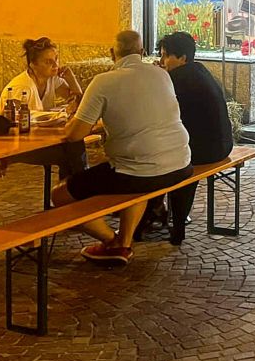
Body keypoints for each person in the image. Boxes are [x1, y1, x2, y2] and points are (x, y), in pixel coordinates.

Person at [52, 30, 192, 265]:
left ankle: (113, 241)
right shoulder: (162, 75)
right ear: (142, 52)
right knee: (137, 179)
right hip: (181, 164)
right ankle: (124, 242)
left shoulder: (103, 81)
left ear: (111, 53)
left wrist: (68, 124)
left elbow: (75, 134)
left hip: (139, 171)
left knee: (60, 195)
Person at [142, 31, 233, 245]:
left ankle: (159, 216)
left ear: (182, 58)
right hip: (223, 144)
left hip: (204, 150)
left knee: (156, 162)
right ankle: (158, 210)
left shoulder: (178, 79)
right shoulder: (199, 70)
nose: (162, 60)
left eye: (166, 55)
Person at [0, 37, 87, 179]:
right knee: (70, 152)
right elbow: (10, 122)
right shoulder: (21, 87)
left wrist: (71, 79)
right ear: (33, 64)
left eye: (56, 59)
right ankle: (76, 188)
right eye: (48, 62)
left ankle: (75, 188)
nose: (55, 65)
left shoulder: (52, 79)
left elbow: (79, 101)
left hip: (38, 138)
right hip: (15, 144)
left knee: (74, 144)